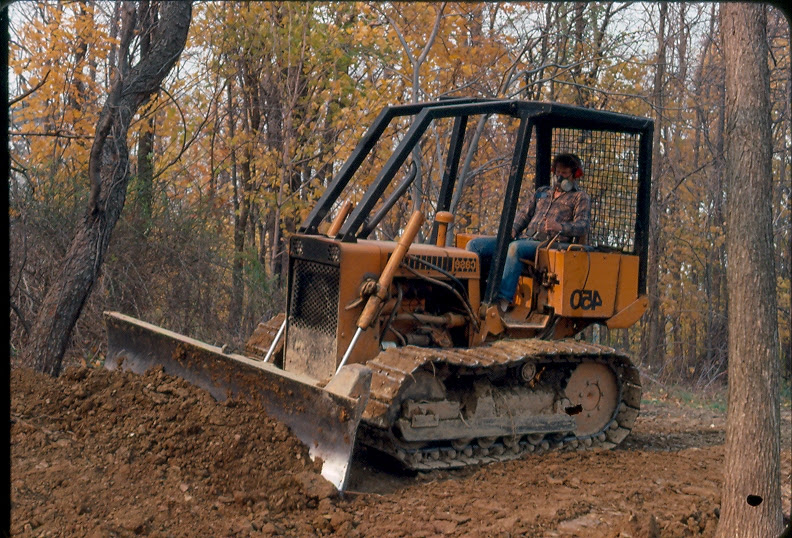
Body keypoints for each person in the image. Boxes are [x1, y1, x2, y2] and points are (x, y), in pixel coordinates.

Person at [466, 153, 591, 313]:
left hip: (549, 244)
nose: (559, 177)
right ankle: (474, 293)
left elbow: (583, 225)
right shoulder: (542, 192)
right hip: (524, 238)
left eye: (564, 174)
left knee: (515, 249)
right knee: (476, 245)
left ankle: (501, 302)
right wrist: (513, 229)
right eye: (557, 173)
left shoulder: (580, 198)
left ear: (575, 174)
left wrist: (559, 226)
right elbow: (524, 214)